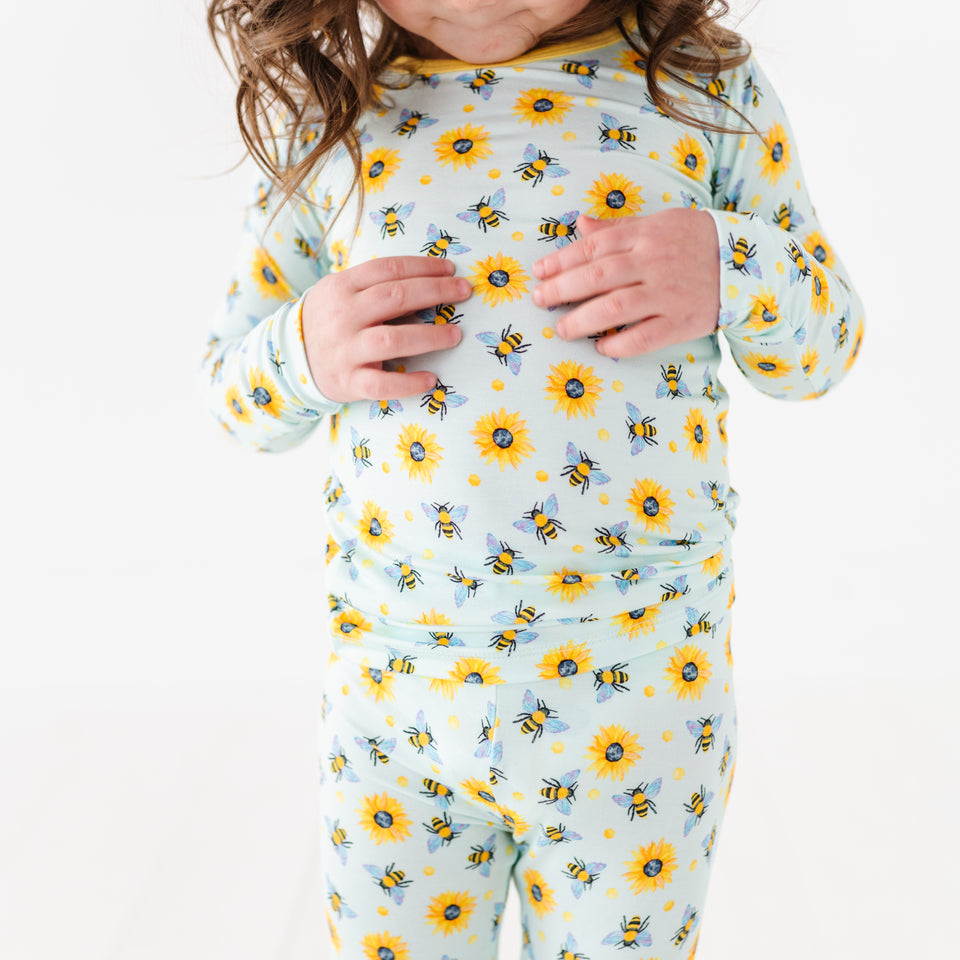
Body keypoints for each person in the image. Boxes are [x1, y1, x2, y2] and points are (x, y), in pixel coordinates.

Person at [199, 1, 864, 956]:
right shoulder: (333, 121)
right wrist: (303, 351)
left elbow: (823, 351)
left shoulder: (703, 92)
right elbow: (233, 397)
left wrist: (733, 265)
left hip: (639, 711)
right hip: (392, 718)